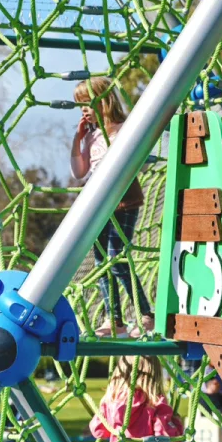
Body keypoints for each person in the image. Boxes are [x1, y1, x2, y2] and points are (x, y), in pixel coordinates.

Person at [71, 78, 154, 338]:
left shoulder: (124, 129)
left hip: (123, 200)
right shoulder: (92, 135)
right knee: (101, 263)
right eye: (80, 105)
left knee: (116, 259)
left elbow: (139, 162)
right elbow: (79, 172)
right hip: (97, 203)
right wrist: (78, 139)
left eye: (87, 103)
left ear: (104, 101)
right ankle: (113, 318)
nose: (84, 110)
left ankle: (145, 313)